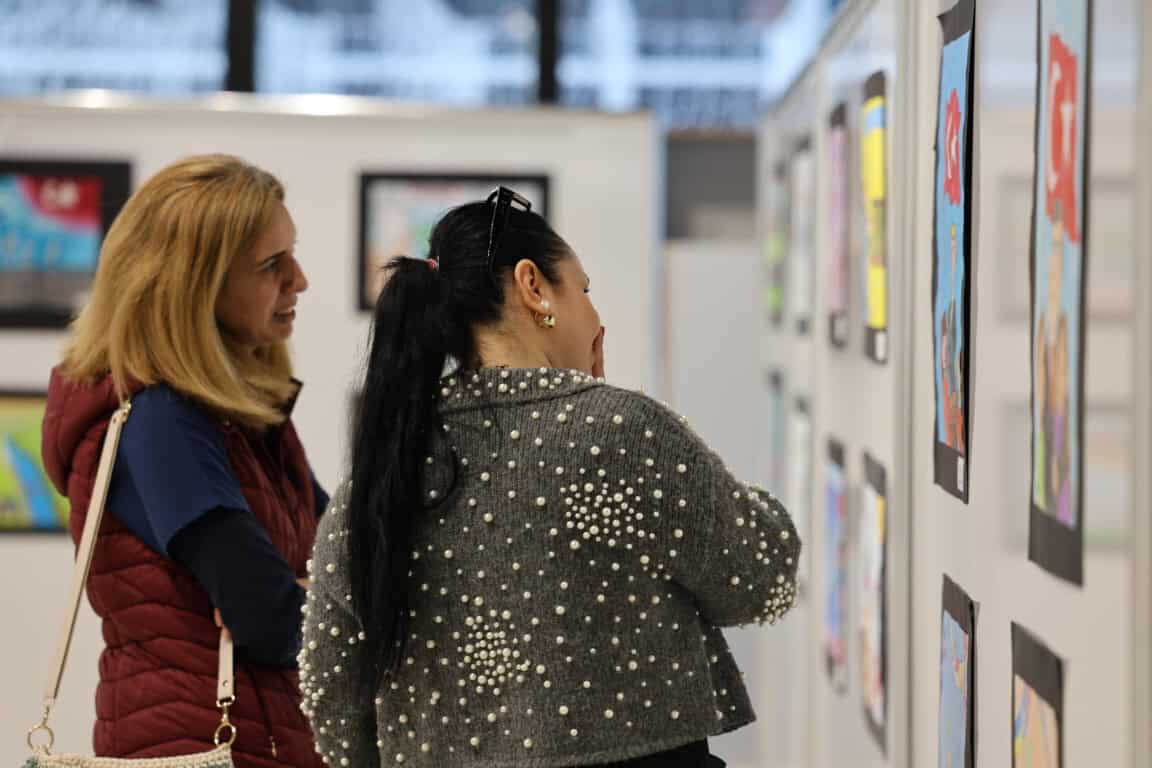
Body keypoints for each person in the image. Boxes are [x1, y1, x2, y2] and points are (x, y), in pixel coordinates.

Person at [299, 188, 801, 767]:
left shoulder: (388, 466)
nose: (595, 314)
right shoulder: (625, 432)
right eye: (584, 289)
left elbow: (331, 689)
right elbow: (760, 579)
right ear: (533, 286)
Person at [41, 155, 327, 768]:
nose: (299, 280)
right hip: (201, 746)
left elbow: (349, 554)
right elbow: (271, 619)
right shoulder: (163, 424)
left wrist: (311, 590)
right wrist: (313, 594)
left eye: (293, 255)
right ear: (193, 287)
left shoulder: (245, 418)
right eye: (271, 265)